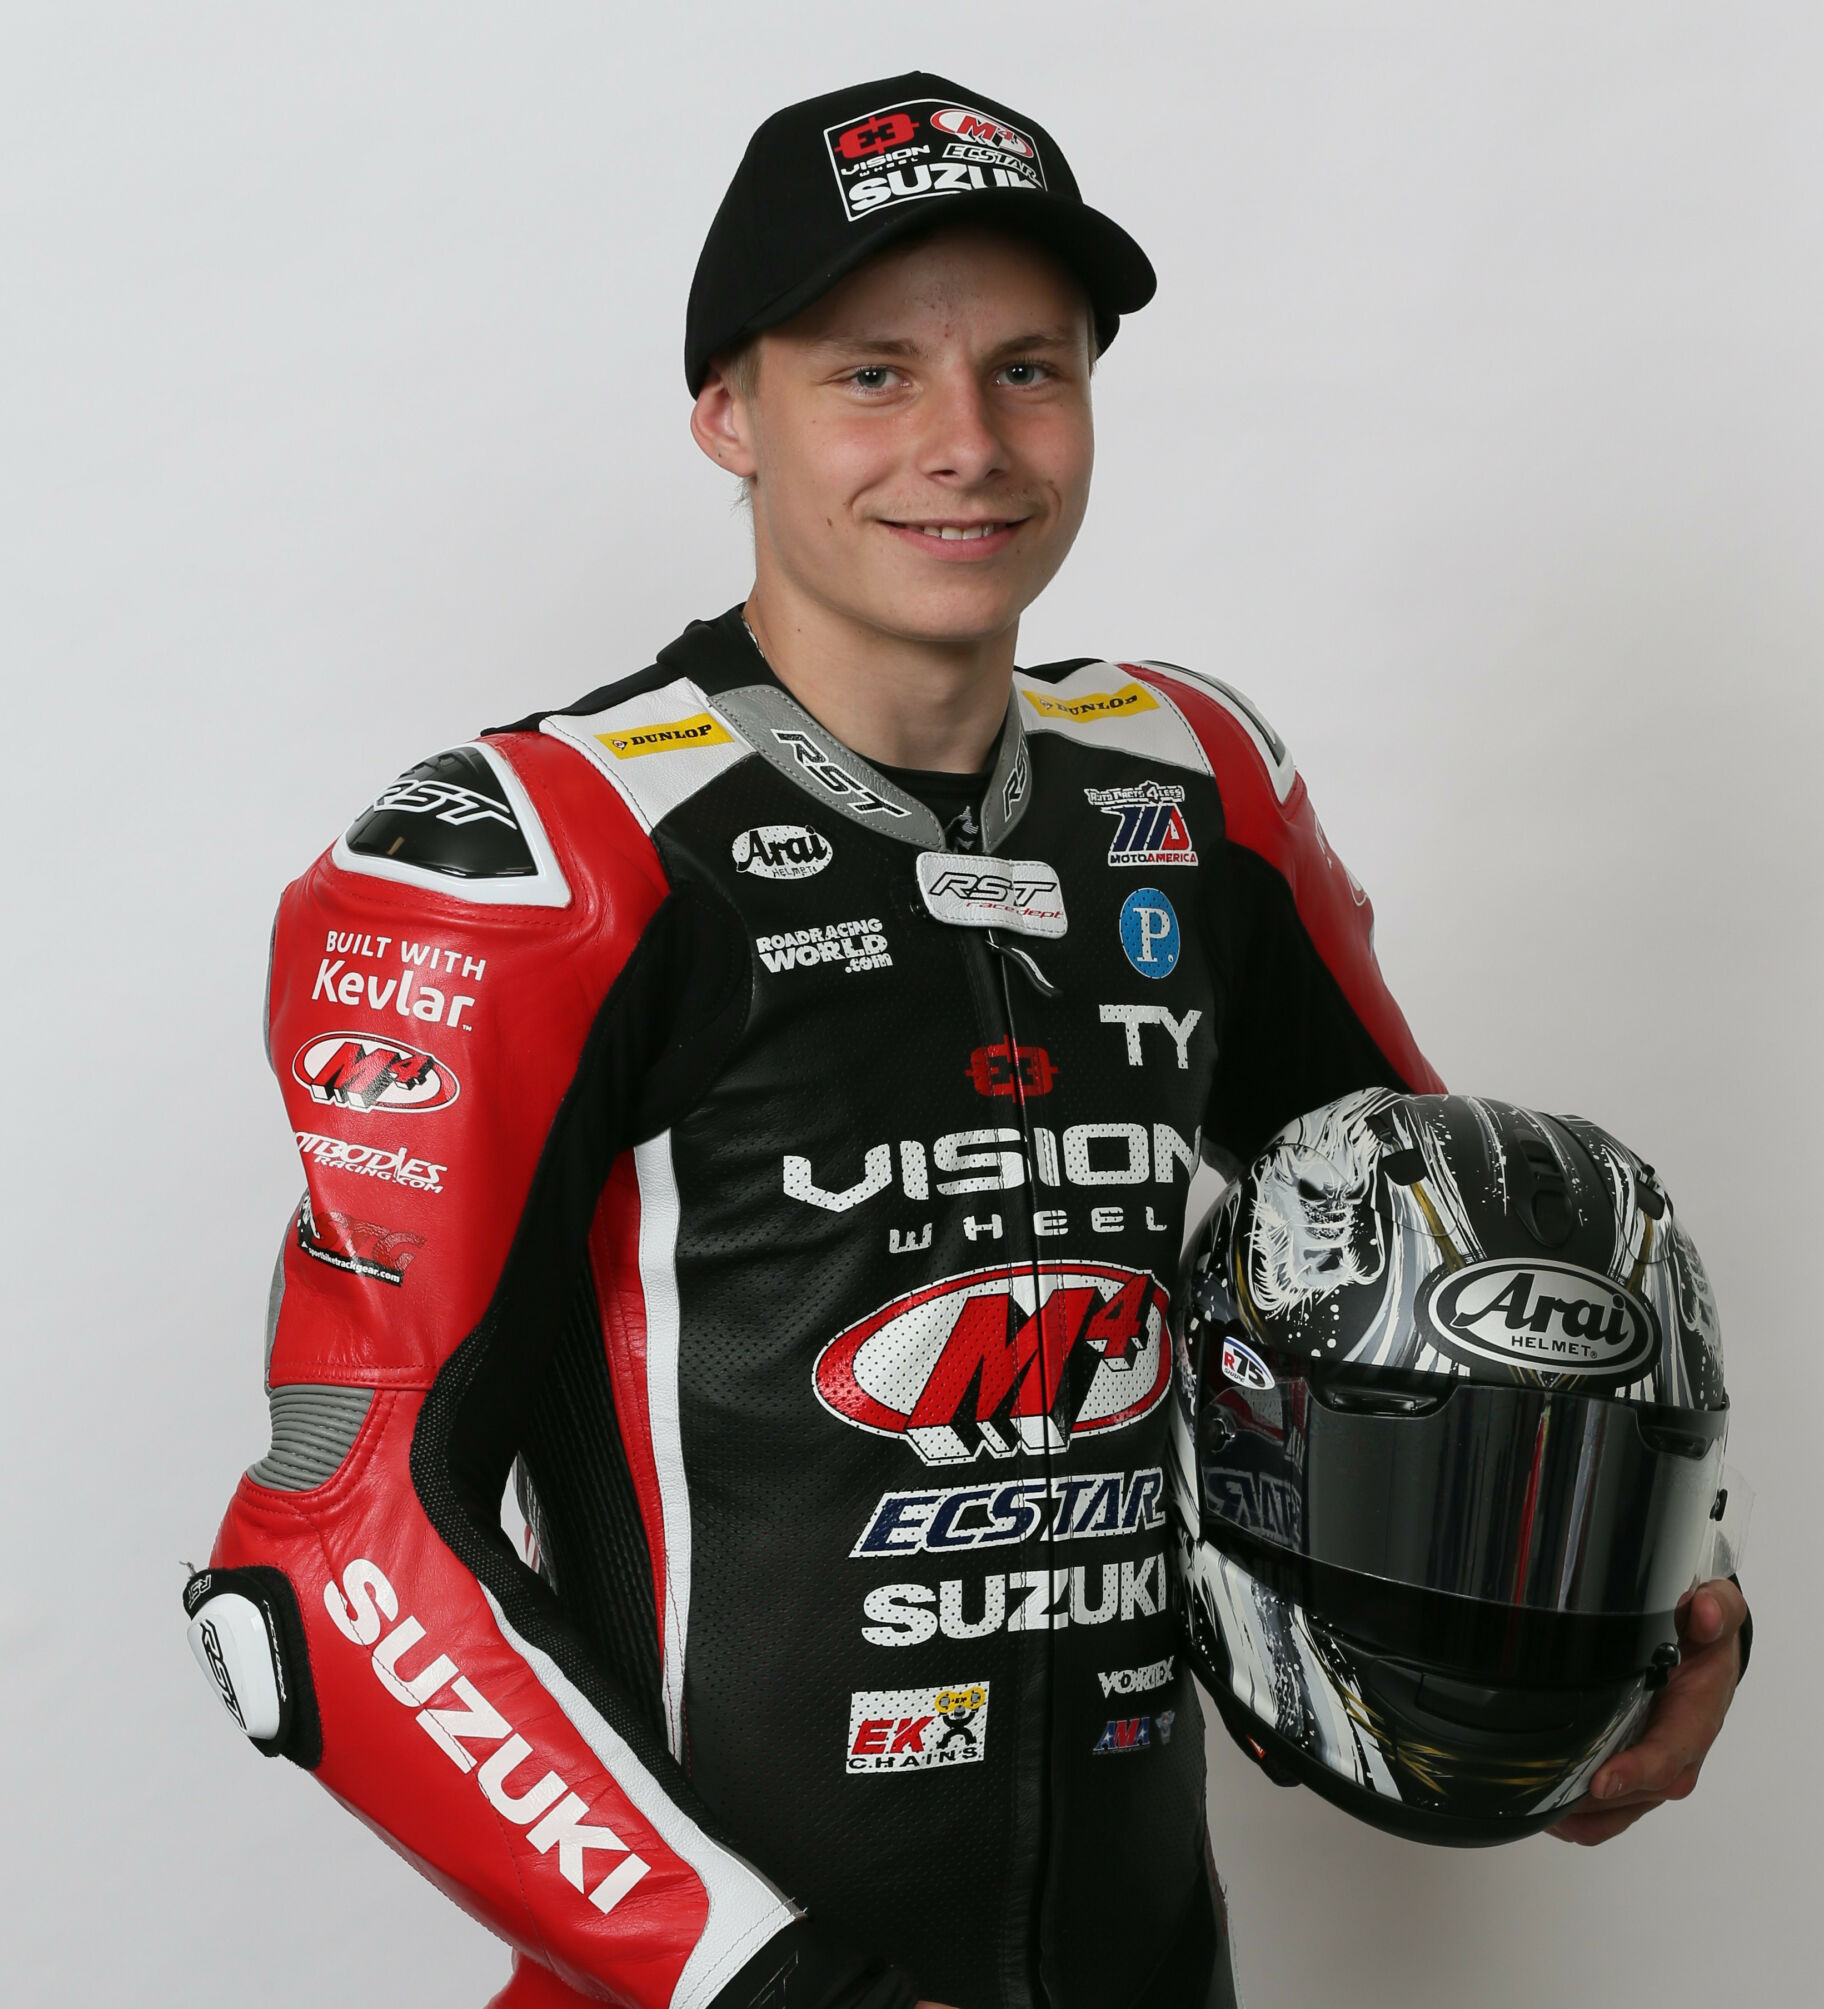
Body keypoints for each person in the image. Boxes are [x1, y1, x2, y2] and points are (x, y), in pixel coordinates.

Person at [182, 72, 1749, 2009]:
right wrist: (782, 1990)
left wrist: (1656, 1612)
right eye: (873, 376)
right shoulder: (539, 860)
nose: (967, 446)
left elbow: (1462, 1294)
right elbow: (333, 1549)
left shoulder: (1195, 790)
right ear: (726, 412)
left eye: (1029, 371)